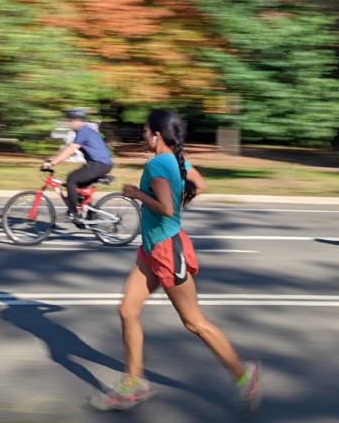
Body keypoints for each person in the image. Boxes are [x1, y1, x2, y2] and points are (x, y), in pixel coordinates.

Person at [90, 109, 261, 412]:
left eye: (145, 132)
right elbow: (200, 184)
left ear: (157, 134)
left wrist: (135, 194)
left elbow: (167, 209)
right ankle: (133, 384)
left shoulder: (157, 165)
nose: (144, 136)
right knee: (127, 310)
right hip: (151, 249)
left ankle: (242, 373)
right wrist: (178, 203)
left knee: (194, 322)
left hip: (168, 252)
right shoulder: (178, 161)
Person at [42, 108, 113, 227]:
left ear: (77, 120)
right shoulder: (85, 131)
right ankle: (89, 215)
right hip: (99, 164)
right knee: (78, 189)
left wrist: (53, 163)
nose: (69, 123)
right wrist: (53, 159)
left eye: (70, 120)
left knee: (72, 179)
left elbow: (71, 149)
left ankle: (74, 213)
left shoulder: (83, 131)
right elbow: (70, 149)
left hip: (99, 165)